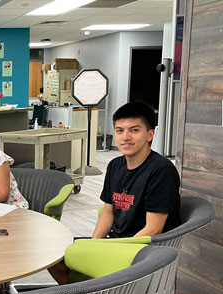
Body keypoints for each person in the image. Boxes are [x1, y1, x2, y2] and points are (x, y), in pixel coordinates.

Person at [49, 101, 181, 284]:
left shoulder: (161, 170)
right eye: (119, 130)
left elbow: (154, 229)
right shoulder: (115, 166)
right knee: (50, 254)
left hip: (142, 251)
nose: (125, 137)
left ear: (150, 134)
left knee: (86, 277)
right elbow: (108, 213)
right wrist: (94, 246)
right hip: (115, 243)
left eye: (134, 130)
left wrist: (109, 254)